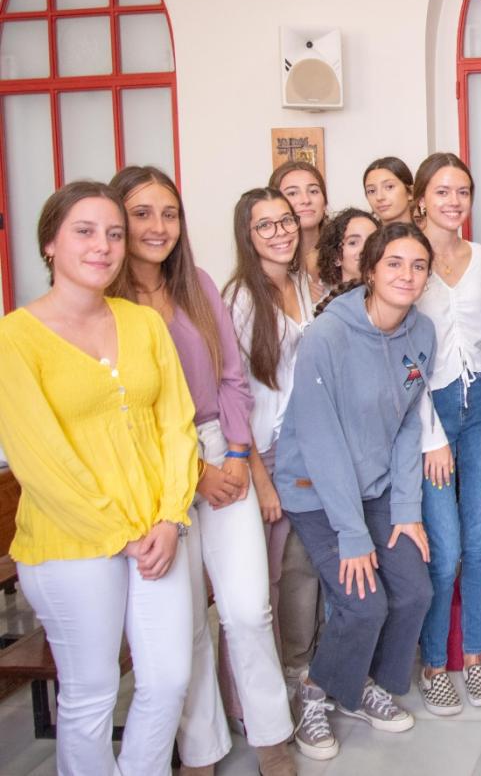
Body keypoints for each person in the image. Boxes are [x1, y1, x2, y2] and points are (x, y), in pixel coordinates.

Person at [0, 182, 199, 776]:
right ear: (49, 244)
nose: (103, 245)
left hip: (156, 533)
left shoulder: (142, 324)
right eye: (84, 232)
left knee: (167, 679)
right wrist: (121, 530)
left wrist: (168, 516)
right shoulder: (15, 337)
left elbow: (177, 426)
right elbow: (40, 458)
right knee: (89, 695)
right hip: (70, 544)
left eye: (114, 233)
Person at [109, 167, 296, 775]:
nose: (158, 227)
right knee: (183, 619)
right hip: (155, 469)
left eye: (169, 213)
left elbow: (231, 378)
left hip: (223, 450)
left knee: (246, 608)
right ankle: (201, 749)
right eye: (142, 213)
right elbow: (125, 412)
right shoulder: (109, 305)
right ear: (118, 220)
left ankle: (271, 736)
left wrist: (238, 454)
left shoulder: (200, 286)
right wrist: (193, 473)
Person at [277, 222, 436, 759]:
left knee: (416, 591)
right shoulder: (328, 336)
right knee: (364, 605)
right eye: (393, 263)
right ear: (368, 270)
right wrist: (351, 533)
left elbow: (409, 424)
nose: (406, 275)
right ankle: (317, 694)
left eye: (418, 265)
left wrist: (407, 511)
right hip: (319, 494)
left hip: (378, 490)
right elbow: (320, 441)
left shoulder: (423, 333)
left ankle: (361, 685)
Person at [221, 187, 323, 732]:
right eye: (266, 225)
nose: (282, 231)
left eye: (286, 221)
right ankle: (242, 705)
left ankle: (294, 676)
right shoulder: (240, 298)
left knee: (300, 568)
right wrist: (260, 478)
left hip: (304, 446)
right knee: (256, 586)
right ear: (247, 234)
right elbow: (233, 396)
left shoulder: (304, 285)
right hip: (260, 451)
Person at [411, 153, 481, 713]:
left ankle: (473, 655)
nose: (453, 201)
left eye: (463, 192)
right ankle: (433, 662)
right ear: (421, 197)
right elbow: (399, 356)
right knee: (443, 551)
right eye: (442, 191)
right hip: (431, 414)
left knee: (479, 540)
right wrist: (430, 436)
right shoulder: (405, 260)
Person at [270, 161, 329, 305]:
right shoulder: (268, 262)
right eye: (292, 193)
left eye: (313, 191)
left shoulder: (345, 252)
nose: (306, 200)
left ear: (324, 201)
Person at [314, 207, 381, 316]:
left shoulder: (393, 302)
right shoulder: (332, 313)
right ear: (336, 257)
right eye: (353, 242)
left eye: (372, 240)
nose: (365, 249)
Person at [363, 157, 415, 226]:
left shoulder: (428, 235)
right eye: (372, 191)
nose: (379, 197)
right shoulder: (366, 236)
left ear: (410, 192)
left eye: (389, 187)